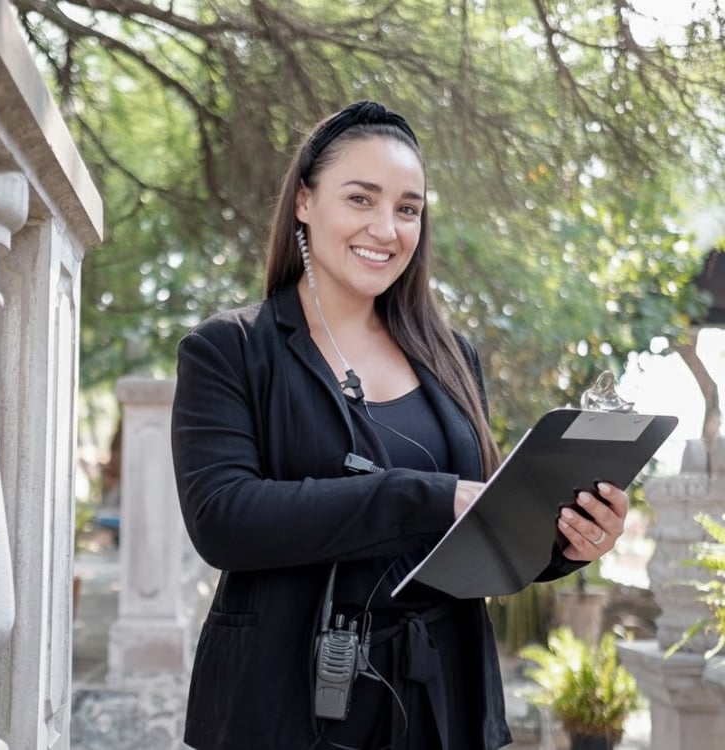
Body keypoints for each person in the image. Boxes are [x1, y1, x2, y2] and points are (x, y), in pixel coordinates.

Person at [170, 100, 628, 750]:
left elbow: (482, 526)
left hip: (445, 704)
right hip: (285, 709)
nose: (387, 228)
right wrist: (427, 497)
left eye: (408, 208)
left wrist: (566, 541)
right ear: (304, 200)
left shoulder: (451, 354)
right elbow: (223, 518)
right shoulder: (231, 349)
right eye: (361, 199)